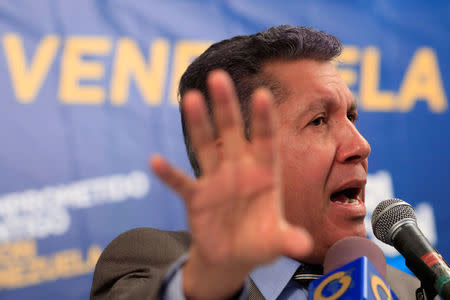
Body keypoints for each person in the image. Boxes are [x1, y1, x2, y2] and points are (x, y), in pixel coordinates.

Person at [90, 25, 420, 299]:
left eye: (351, 116)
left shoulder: (413, 290)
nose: (361, 146)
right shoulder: (158, 260)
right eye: (318, 120)